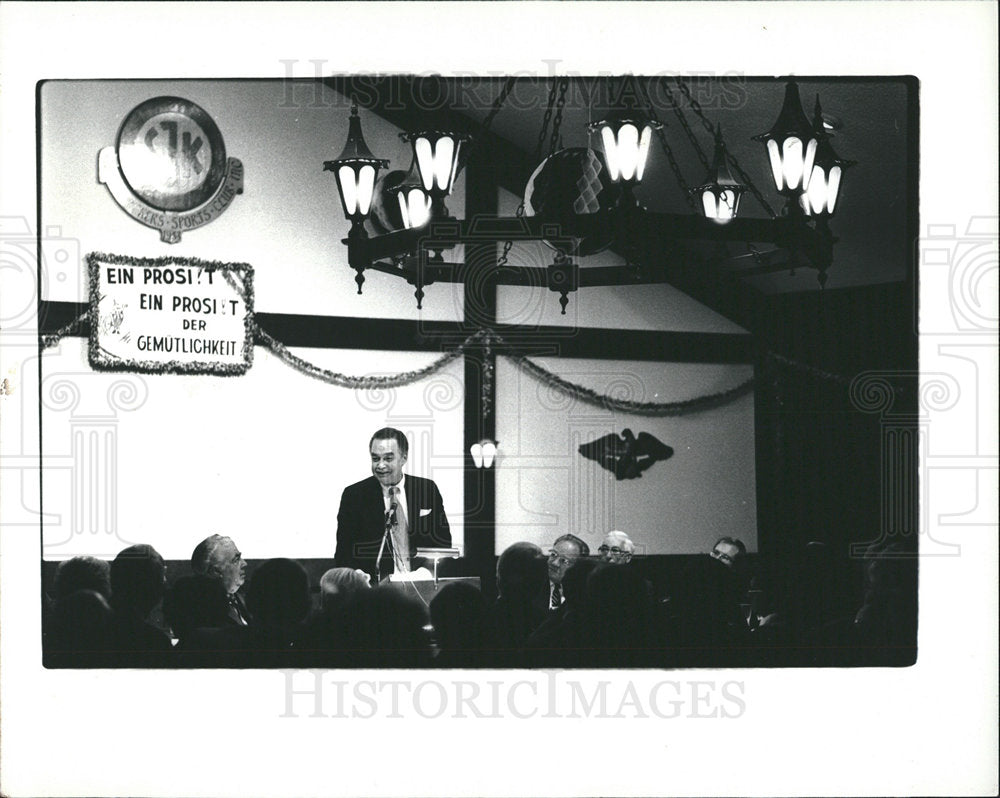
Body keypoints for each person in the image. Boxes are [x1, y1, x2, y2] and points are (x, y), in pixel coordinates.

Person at [334, 427, 451, 582]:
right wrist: (358, 575)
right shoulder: (355, 495)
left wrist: (424, 574)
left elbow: (442, 544)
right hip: (374, 590)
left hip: (422, 585)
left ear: (404, 458)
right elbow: (344, 552)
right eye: (375, 459)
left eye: (388, 459)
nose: (380, 466)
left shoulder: (426, 490)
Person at [191, 534, 251, 625]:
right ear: (216, 571)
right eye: (236, 560)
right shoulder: (204, 611)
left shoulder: (248, 596)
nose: (244, 563)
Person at [547, 533, 589, 610]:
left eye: (564, 560)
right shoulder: (530, 586)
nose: (554, 563)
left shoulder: (584, 595)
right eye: (553, 554)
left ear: (578, 567)